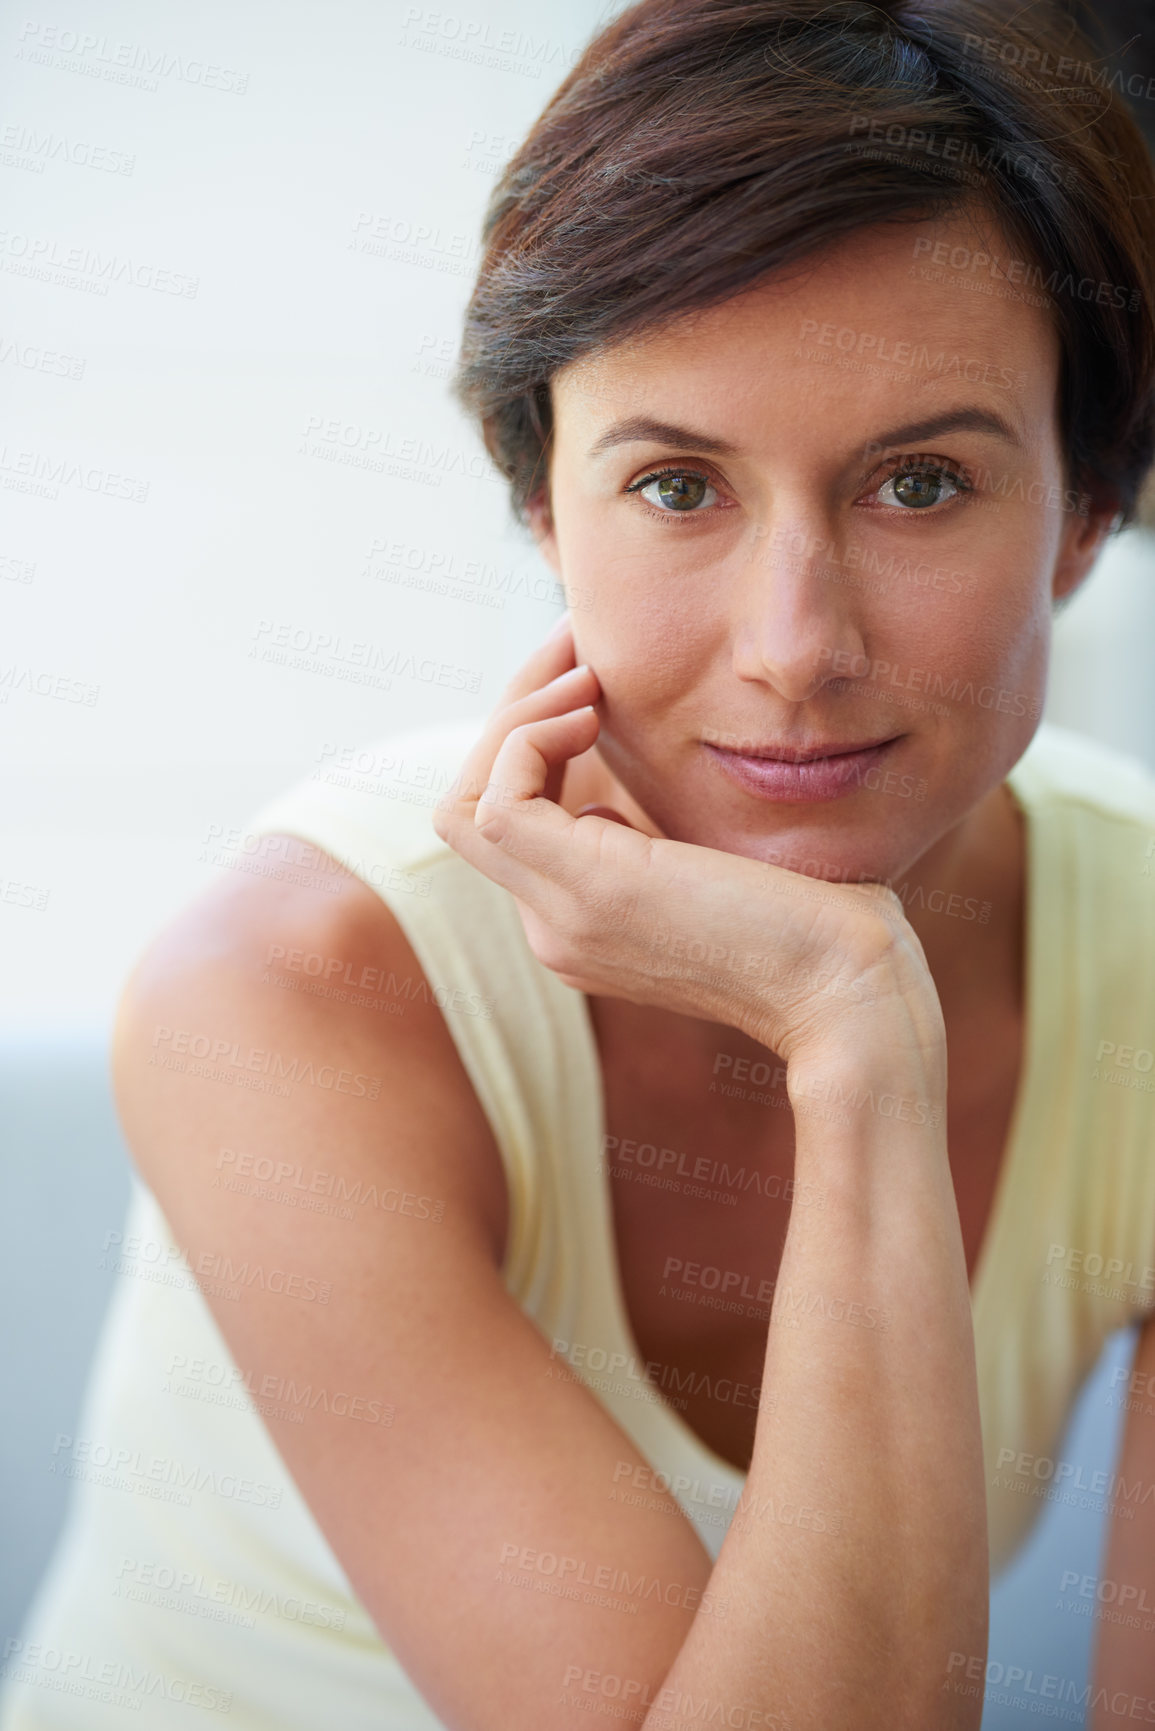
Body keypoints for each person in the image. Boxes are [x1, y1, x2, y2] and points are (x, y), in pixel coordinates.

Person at [4, 0, 1155, 1727]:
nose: (793, 646)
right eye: (679, 487)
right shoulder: (292, 992)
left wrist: (854, 1041)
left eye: (920, 484)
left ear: (1085, 511)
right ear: (544, 506)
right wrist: (853, 1029)